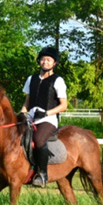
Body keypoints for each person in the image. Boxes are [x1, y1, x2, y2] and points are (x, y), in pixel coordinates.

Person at [20, 46, 68, 188]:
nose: (45, 62)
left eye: (48, 60)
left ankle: (42, 174)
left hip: (48, 118)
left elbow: (64, 105)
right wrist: (22, 114)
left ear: (54, 63)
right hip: (32, 116)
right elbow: (27, 101)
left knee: (39, 139)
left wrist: (47, 113)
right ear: (39, 61)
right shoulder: (31, 79)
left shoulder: (58, 80)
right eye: (43, 59)